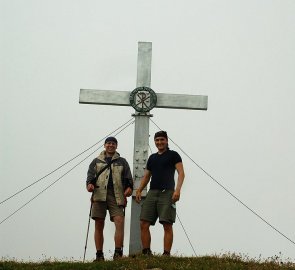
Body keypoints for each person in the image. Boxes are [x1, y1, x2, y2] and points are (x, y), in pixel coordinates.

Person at [135, 131, 185, 256]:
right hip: (152, 192)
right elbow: (147, 176)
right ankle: (146, 252)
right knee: (144, 222)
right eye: (157, 140)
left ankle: (166, 254)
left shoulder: (174, 155)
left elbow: (181, 173)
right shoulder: (152, 157)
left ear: (167, 141)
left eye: (162, 140)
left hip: (167, 193)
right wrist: (139, 190)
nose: (159, 142)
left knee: (167, 224)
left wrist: (177, 190)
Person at [86, 136, 133, 261]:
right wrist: (89, 185)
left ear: (116, 146)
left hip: (116, 195)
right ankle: (99, 255)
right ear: (104, 145)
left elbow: (128, 179)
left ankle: (118, 253)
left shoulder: (122, 161)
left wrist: (129, 188)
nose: (110, 145)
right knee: (99, 224)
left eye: (113, 143)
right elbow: (90, 178)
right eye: (108, 143)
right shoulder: (96, 161)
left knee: (119, 222)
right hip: (99, 194)